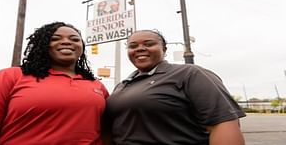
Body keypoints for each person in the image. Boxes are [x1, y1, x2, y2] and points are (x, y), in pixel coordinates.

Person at [0, 22, 109, 145]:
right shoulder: (10, 77)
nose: (67, 42)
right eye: (55, 38)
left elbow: (107, 133)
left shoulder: (97, 86)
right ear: (42, 45)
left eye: (74, 39)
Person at [103, 30, 246, 145]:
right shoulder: (121, 85)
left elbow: (223, 124)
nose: (140, 48)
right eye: (133, 46)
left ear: (164, 49)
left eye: (149, 43)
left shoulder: (189, 73)